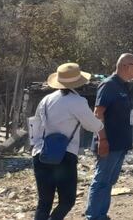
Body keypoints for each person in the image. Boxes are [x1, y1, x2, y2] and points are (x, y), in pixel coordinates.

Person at [30, 63, 104, 220]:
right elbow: (93, 126)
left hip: (40, 154)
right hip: (64, 156)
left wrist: (37, 145)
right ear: (79, 82)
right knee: (67, 201)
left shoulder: (46, 99)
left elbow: (34, 126)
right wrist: (101, 122)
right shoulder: (78, 101)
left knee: (44, 202)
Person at [85, 53, 133, 220]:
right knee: (101, 179)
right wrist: (102, 139)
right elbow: (98, 113)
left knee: (110, 180)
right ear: (124, 65)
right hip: (109, 142)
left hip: (121, 143)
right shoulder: (109, 85)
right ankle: (93, 216)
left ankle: (101, 214)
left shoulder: (124, 85)